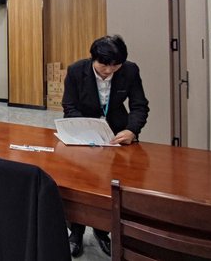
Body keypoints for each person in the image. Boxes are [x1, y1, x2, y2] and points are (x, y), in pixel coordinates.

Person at [61, 34, 149, 257]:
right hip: (83, 133)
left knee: (110, 185)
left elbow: (139, 105)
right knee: (80, 184)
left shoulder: (130, 70)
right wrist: (86, 131)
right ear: (93, 59)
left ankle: (102, 231)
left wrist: (131, 130)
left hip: (116, 135)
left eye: (115, 66)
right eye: (104, 65)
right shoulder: (76, 71)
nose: (109, 71)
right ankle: (76, 232)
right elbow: (69, 106)